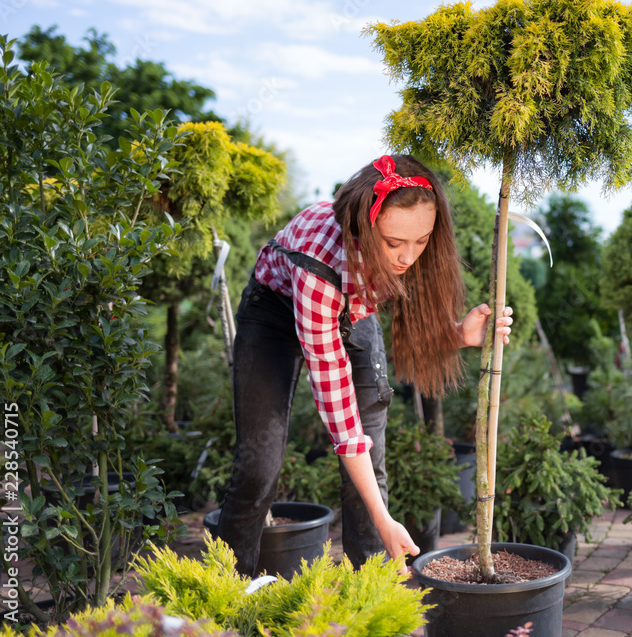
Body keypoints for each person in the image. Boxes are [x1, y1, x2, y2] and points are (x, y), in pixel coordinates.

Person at [216, 154, 512, 575]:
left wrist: (457, 334)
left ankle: (369, 592)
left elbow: (409, 316)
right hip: (275, 313)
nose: (408, 257)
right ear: (364, 227)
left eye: (421, 241)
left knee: (371, 455)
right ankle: (227, 586)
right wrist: (383, 516)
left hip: (354, 310)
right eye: (394, 244)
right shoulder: (317, 264)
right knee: (259, 464)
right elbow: (337, 410)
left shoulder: (411, 245)